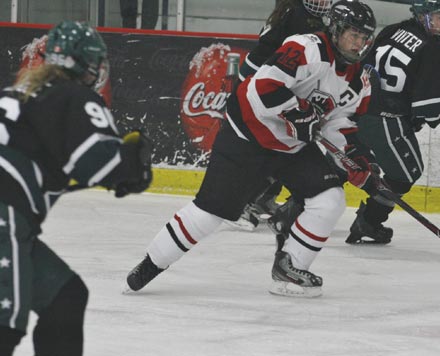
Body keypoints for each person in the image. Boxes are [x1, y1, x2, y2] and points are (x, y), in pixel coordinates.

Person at [125, 0, 377, 297]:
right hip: (247, 138)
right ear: (335, 30)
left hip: (291, 147)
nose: (359, 43)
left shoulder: (360, 78)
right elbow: (261, 89)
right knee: (209, 215)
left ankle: (290, 270)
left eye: (364, 37)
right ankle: (152, 264)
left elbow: (338, 121)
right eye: (353, 34)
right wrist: (298, 112)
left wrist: (356, 157)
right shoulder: (305, 48)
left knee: (330, 199)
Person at [0, 21, 152, 355]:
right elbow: (99, 162)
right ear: (87, 64)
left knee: (64, 298)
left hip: (11, 219)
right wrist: (133, 160)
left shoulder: (19, 93)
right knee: (3, 326)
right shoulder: (73, 95)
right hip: (3, 218)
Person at [270, 0, 440, 245]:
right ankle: (369, 222)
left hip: (356, 106)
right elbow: (428, 110)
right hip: (386, 119)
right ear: (423, 16)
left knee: (341, 163)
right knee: (405, 173)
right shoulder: (434, 51)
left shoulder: (393, 30)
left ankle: (290, 212)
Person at [229, 0, 332, 231]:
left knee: (283, 147)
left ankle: (263, 199)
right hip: (258, 89)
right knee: (270, 151)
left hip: (262, 86)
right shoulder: (300, 18)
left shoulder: (291, 12)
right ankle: (238, 203)